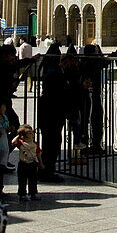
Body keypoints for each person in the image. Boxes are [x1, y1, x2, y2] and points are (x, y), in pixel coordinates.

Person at [39, 54, 77, 182]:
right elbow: (60, 94)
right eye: (71, 64)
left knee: (51, 143)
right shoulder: (56, 74)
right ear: (65, 63)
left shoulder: (55, 71)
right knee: (51, 144)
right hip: (51, 113)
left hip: (51, 113)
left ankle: (47, 170)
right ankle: (46, 172)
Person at [12, 125, 42, 201]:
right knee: (22, 180)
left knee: (33, 180)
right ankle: (22, 194)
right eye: (29, 133)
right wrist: (18, 136)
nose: (32, 135)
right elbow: (13, 142)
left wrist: (40, 163)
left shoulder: (35, 144)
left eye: (32, 133)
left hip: (32, 164)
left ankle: (33, 193)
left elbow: (38, 153)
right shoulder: (21, 143)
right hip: (23, 164)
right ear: (23, 136)